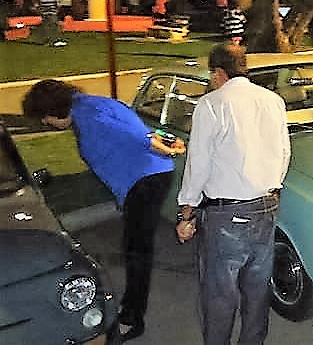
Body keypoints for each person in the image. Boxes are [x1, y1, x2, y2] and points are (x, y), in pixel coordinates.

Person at [21, 80, 184, 342]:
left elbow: (135, 135)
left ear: (53, 109)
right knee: (136, 246)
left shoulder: (89, 116)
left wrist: (164, 148)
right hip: (145, 178)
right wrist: (162, 139)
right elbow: (137, 127)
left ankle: (132, 318)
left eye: (45, 117)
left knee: (137, 250)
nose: (45, 123)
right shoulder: (95, 104)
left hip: (145, 180)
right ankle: (132, 311)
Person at [175, 43, 290, 345]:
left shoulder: (212, 105)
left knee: (219, 294)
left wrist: (186, 212)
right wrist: (271, 186)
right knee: (257, 287)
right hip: (266, 205)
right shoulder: (273, 101)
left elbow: (198, 164)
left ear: (218, 73)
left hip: (227, 214)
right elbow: (284, 153)